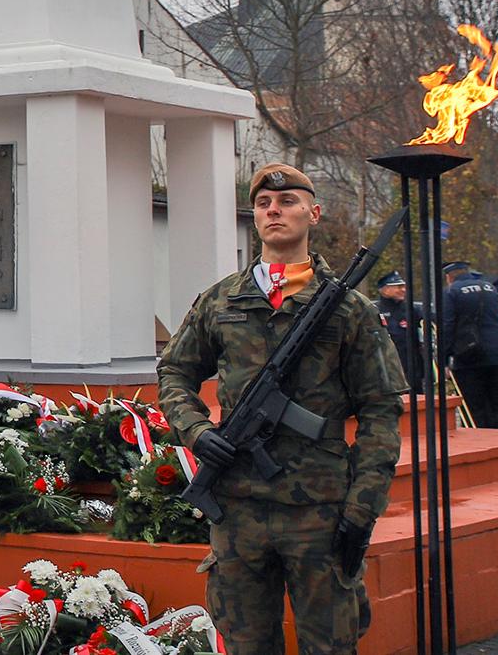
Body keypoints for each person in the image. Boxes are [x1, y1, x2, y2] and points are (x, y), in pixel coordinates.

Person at [157, 163, 404, 654]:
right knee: (246, 645)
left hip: (319, 510)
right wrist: (197, 431)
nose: (274, 210)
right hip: (237, 509)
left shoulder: (348, 309)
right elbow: (174, 372)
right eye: (264, 204)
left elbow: (380, 411)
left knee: (329, 646)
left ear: (314, 214)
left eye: (288, 202)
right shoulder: (220, 300)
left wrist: (362, 508)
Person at [441, 260, 498, 429]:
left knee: (475, 409)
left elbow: (447, 325)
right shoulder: (489, 288)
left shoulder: (451, 291)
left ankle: (483, 440)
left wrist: (444, 359)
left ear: (449, 277)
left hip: (470, 356)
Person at [373, 271, 422, 367]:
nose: (403, 290)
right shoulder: (375, 310)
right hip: (385, 365)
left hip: (411, 365)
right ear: (385, 289)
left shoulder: (412, 310)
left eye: (404, 287)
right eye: (399, 287)